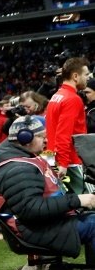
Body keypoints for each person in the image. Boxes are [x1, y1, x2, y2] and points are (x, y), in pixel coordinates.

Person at [0, 116, 95, 259]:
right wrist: (78, 200)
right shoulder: (17, 169)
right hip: (32, 229)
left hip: (38, 224)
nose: (46, 140)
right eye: (41, 137)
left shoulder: (22, 158)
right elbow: (32, 209)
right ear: (25, 139)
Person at [45, 56, 90, 194]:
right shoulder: (72, 99)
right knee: (87, 200)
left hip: (53, 157)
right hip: (70, 161)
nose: (88, 78)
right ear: (75, 76)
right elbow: (64, 134)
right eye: (86, 74)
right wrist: (64, 162)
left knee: (68, 200)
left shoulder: (56, 96)